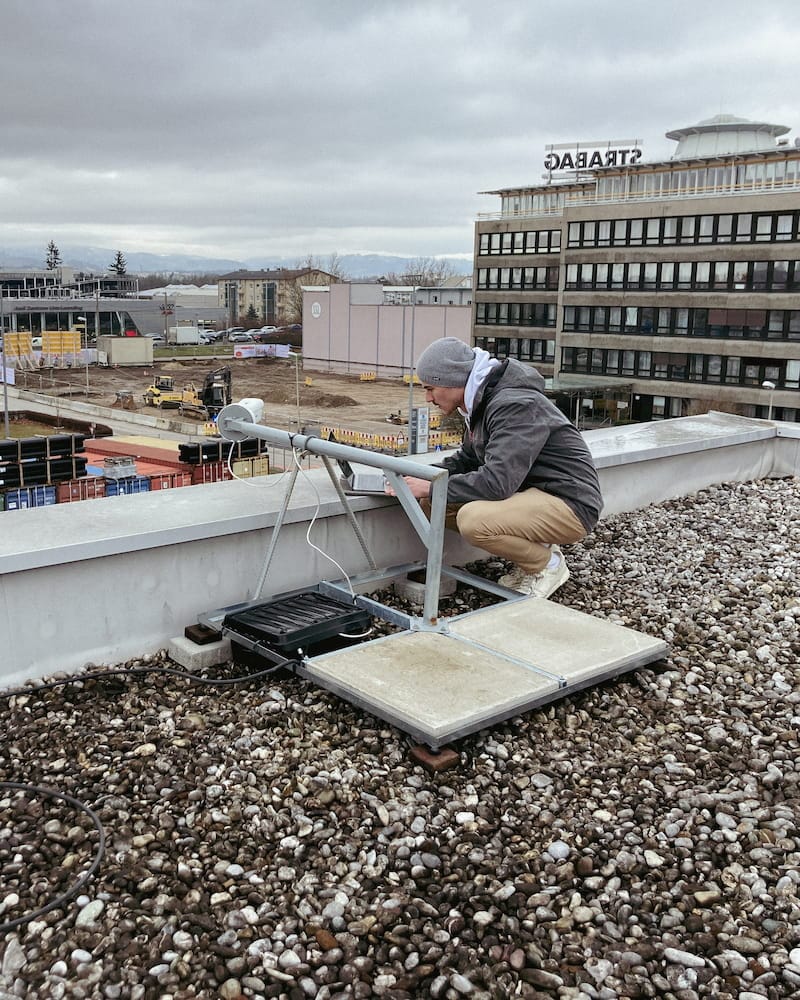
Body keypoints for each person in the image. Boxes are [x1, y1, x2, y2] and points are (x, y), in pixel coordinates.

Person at [386, 337, 602, 599]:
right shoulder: (482, 401)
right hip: (532, 492)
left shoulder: (513, 404)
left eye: (431, 388)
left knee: (472, 520)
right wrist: (422, 477)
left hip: (570, 501)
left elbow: (498, 482)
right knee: (434, 504)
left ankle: (548, 565)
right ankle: (535, 556)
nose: (428, 398)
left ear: (453, 380)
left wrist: (432, 487)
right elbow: (468, 460)